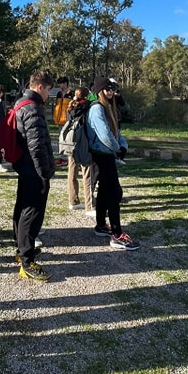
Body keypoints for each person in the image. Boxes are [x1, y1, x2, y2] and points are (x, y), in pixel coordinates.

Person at [12, 70, 56, 282]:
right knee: (31, 212)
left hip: (26, 167)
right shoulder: (32, 108)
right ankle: (26, 260)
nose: (48, 94)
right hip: (34, 169)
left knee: (23, 207)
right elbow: (37, 146)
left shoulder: (21, 103)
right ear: (40, 87)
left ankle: (22, 249)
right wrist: (45, 172)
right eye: (48, 89)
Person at [86, 76, 139, 251]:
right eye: (108, 89)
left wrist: (123, 146)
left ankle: (101, 225)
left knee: (103, 190)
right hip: (101, 154)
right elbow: (104, 135)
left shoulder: (108, 107)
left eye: (112, 89)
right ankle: (117, 234)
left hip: (108, 153)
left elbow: (116, 131)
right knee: (114, 192)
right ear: (100, 91)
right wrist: (116, 150)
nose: (111, 93)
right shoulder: (96, 109)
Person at [64, 86, 93, 211]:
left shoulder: (71, 107)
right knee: (87, 173)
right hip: (83, 142)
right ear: (86, 96)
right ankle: (89, 205)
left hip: (71, 142)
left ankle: (73, 200)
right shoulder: (87, 107)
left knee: (72, 172)